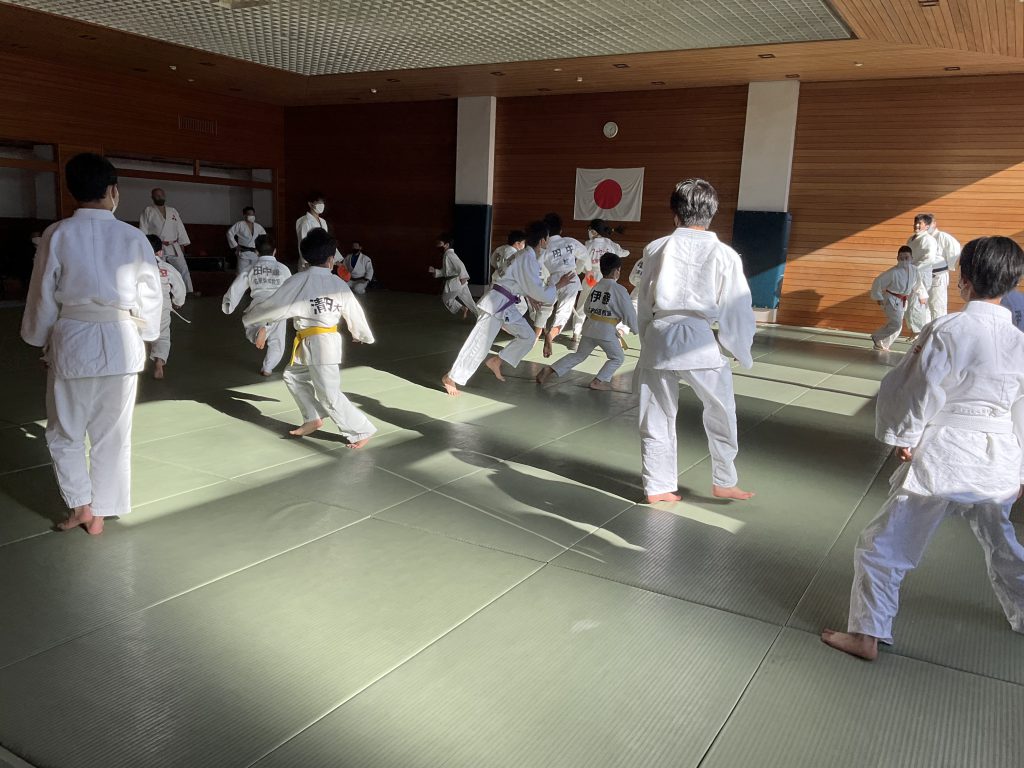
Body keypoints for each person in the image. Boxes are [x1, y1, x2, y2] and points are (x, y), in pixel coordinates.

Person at [823, 236, 1024, 661]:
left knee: (883, 545)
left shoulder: (948, 329)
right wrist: (1021, 470)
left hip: (946, 453)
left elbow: (917, 388)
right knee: (1003, 544)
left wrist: (905, 435)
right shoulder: (1019, 341)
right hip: (999, 459)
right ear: (1013, 282)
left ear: (963, 280)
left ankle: (867, 634)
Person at [20, 153, 162, 535]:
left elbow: (42, 292)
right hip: (122, 337)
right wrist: (148, 333)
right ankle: (100, 512)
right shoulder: (133, 237)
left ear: (72, 191)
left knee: (64, 431)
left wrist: (40, 338)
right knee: (112, 433)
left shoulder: (58, 234)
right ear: (113, 191)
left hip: (74, 337)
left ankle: (81, 505)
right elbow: (151, 293)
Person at [636, 179, 756, 504]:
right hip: (699, 340)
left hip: (660, 335)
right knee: (722, 410)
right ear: (711, 214)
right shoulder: (726, 255)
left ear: (675, 214)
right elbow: (737, 306)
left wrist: (646, 336)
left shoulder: (655, 248)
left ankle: (658, 486)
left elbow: (644, 300)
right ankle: (724, 480)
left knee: (656, 414)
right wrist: (739, 348)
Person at [243, 228, 376, 447]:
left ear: (305, 257)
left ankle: (361, 429)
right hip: (315, 342)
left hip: (321, 345)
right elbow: (353, 310)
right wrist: (360, 333)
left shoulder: (298, 280)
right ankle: (313, 417)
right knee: (292, 376)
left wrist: (254, 319)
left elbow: (276, 305)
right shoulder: (338, 283)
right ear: (331, 259)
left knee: (329, 394)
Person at [442, 221, 572, 396]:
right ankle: (451, 377)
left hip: (506, 303)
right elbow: (538, 290)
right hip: (496, 303)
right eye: (547, 238)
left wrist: (530, 296)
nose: (547, 241)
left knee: (528, 336)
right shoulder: (527, 258)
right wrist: (558, 285)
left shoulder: (523, 255)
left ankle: (497, 360)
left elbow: (520, 281)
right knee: (479, 344)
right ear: (542, 240)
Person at [537, 253, 638, 390]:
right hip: (606, 332)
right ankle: (598, 381)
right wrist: (635, 328)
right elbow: (628, 312)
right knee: (617, 358)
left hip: (590, 328)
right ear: (616, 271)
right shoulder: (619, 290)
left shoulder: (596, 287)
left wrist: (597, 317)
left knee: (579, 355)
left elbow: (586, 308)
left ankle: (549, 370)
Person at [222, 234, 291, 376]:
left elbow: (238, 286)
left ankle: (260, 330)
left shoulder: (251, 268)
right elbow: (291, 288)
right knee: (277, 341)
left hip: (258, 303)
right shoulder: (283, 268)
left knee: (250, 325)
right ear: (275, 251)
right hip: (278, 306)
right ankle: (267, 368)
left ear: (256, 252)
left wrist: (229, 303)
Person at [532, 212, 588, 358]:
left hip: (554, 279)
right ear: (561, 230)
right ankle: (550, 336)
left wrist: (538, 286)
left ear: (546, 231)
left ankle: (535, 337)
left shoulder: (544, 246)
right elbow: (585, 255)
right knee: (563, 312)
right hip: (571, 278)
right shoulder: (570, 242)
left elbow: (537, 267)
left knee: (544, 308)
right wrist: (579, 269)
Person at [571, 219, 629, 348]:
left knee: (582, 306)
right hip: (608, 281)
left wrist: (579, 271)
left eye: (589, 229)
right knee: (608, 308)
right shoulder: (611, 244)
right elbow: (624, 253)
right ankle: (610, 335)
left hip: (590, 279)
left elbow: (579, 266)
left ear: (594, 231)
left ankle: (576, 333)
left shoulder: (587, 246)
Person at [869, 245, 927, 351]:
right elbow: (878, 281)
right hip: (891, 299)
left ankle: (882, 344)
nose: (904, 260)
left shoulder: (914, 270)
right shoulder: (893, 272)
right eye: (901, 258)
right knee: (896, 324)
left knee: (897, 326)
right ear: (897, 258)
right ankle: (877, 337)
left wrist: (922, 295)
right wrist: (878, 297)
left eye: (906, 258)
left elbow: (918, 284)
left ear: (912, 258)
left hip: (902, 300)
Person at [145, 234, 186, 380]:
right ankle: (159, 362)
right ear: (160, 252)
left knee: (138, 333)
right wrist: (178, 302)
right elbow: (180, 287)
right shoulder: (167, 268)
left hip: (141, 306)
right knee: (163, 335)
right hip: (162, 306)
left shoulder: (136, 266)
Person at [140, 187, 193, 294]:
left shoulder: (172, 211)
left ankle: (188, 291)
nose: (160, 197)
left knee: (183, 269)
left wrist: (182, 243)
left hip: (174, 246)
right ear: (152, 197)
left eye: (161, 195)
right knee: (158, 269)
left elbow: (180, 227)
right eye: (157, 195)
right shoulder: (148, 211)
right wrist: (147, 246)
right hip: (158, 246)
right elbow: (143, 229)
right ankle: (159, 292)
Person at [906, 214, 942, 332]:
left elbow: (929, 259)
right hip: (911, 273)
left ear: (927, 226)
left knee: (917, 304)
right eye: (915, 223)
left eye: (919, 223)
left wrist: (915, 268)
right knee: (911, 304)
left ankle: (919, 332)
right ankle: (918, 332)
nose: (916, 225)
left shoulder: (929, 240)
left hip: (921, 274)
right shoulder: (911, 239)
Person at [430, 233, 476, 318]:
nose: (438, 246)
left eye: (440, 243)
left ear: (447, 245)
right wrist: (435, 271)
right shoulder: (447, 255)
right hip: (458, 282)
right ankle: (480, 317)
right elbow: (446, 271)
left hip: (456, 282)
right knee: (470, 302)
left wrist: (463, 277)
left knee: (446, 299)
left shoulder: (449, 255)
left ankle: (463, 308)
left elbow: (460, 265)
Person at [294, 193, 341, 272]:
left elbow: (327, 242)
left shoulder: (323, 222)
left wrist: (336, 260)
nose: (321, 205)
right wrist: (306, 262)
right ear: (310, 204)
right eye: (319, 203)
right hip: (310, 263)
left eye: (323, 203)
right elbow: (302, 242)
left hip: (324, 261)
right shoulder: (305, 222)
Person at [227, 205, 267, 274]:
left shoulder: (258, 226)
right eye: (249, 214)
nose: (251, 216)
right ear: (244, 215)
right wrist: (235, 246)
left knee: (254, 273)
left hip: (255, 253)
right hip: (243, 253)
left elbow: (264, 237)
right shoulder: (240, 224)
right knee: (241, 274)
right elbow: (229, 233)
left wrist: (261, 249)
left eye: (253, 214)